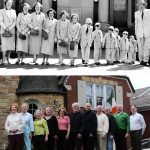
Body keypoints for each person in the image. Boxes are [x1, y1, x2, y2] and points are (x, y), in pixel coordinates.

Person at [0, 0, 16, 65]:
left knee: (10, 46)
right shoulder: (1, 11)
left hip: (11, 31)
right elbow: (0, 21)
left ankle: (8, 59)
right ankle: (3, 60)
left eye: (10, 3)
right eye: (7, 3)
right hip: (4, 30)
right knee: (4, 46)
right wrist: (5, 28)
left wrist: (10, 28)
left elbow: (15, 21)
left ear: (12, 4)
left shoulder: (13, 11)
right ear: (5, 4)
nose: (8, 4)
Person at [135, 0, 150, 66]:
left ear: (145, 5)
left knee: (146, 47)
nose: (140, 6)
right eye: (139, 4)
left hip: (147, 32)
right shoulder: (136, 13)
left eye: (142, 4)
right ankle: (141, 60)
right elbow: (136, 24)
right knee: (140, 47)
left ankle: (145, 60)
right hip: (139, 32)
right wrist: (136, 33)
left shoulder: (149, 12)